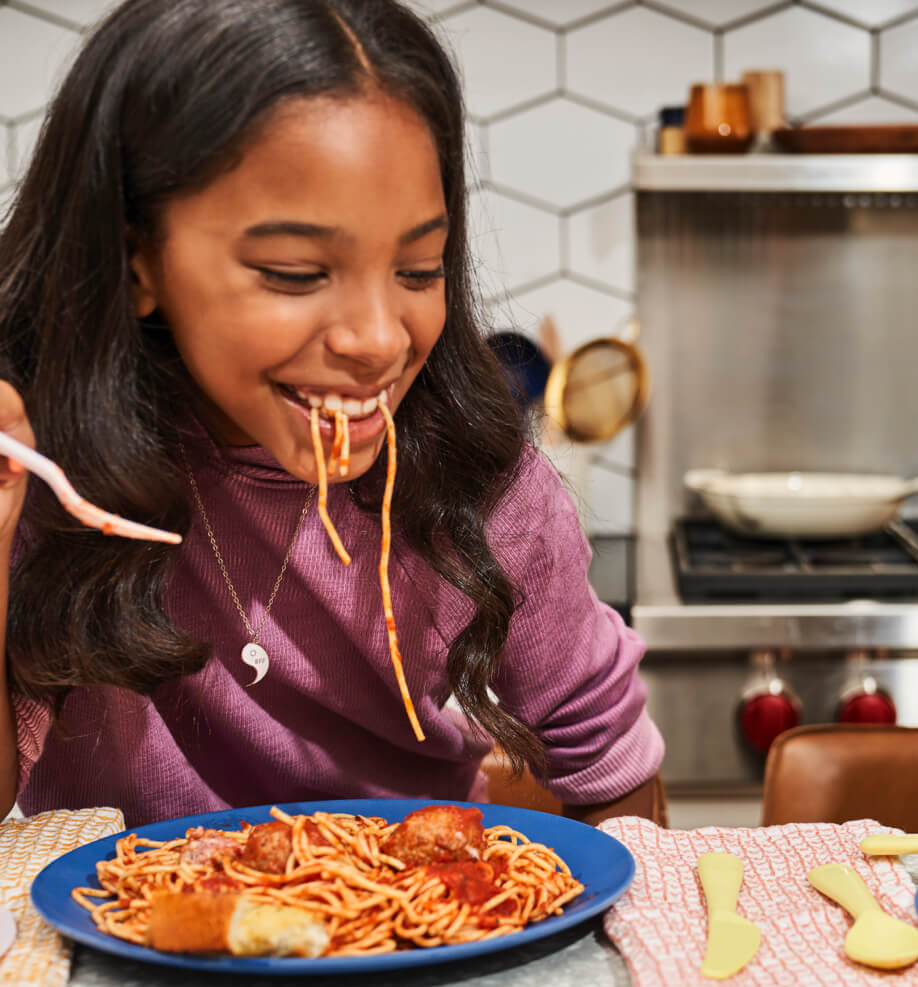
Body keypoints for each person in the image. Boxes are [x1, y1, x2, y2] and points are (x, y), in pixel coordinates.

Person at [0, 0, 663, 826]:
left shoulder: (475, 478)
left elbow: (607, 764)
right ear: (136, 261)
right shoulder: (45, 471)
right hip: (119, 939)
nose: (379, 341)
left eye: (419, 270)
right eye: (295, 272)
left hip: (422, 930)